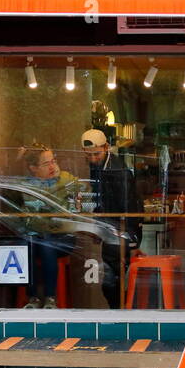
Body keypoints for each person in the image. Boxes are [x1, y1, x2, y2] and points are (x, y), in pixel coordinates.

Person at [73, 128, 143, 308]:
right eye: (88, 155)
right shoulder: (96, 167)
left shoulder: (118, 171)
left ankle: (120, 313)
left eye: (96, 154)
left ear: (106, 147)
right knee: (111, 280)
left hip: (121, 231)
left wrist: (132, 242)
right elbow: (99, 201)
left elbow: (130, 207)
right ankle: (119, 311)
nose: (93, 158)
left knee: (111, 282)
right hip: (110, 229)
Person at [17, 144, 79, 310]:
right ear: (33, 168)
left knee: (46, 241)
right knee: (28, 242)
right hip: (35, 237)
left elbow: (87, 197)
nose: (52, 166)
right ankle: (33, 297)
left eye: (53, 161)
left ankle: (49, 298)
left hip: (62, 237)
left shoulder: (66, 179)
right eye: (46, 164)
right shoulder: (25, 185)